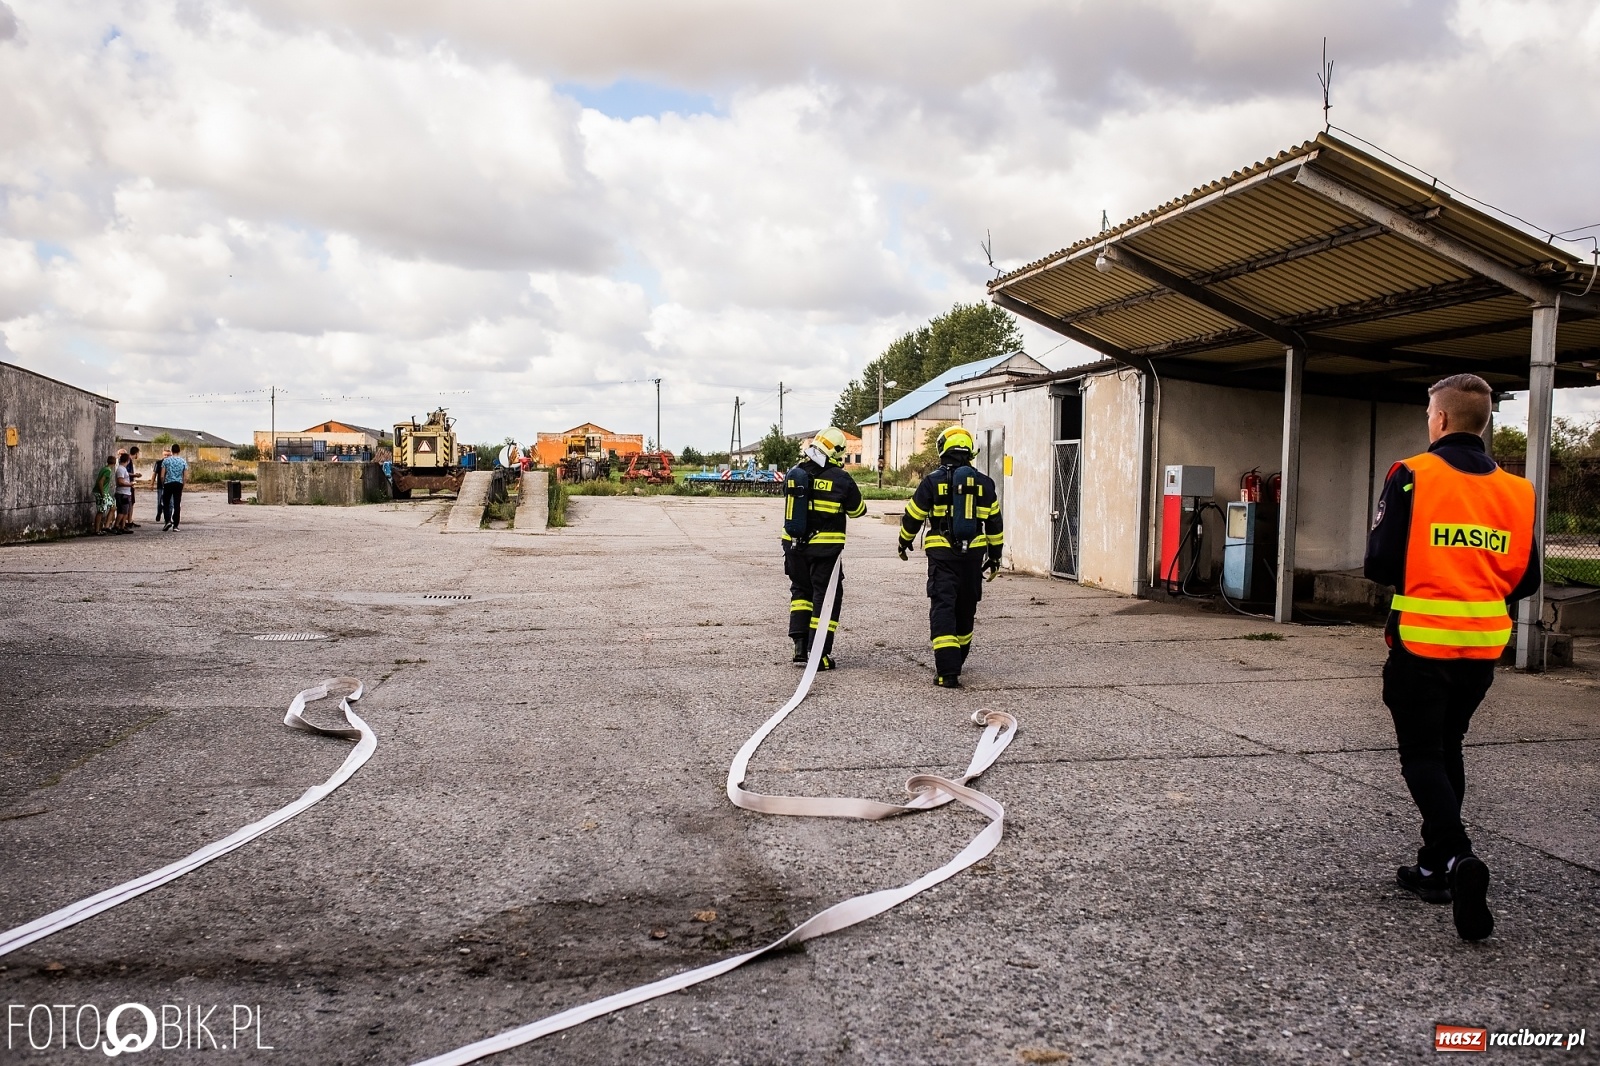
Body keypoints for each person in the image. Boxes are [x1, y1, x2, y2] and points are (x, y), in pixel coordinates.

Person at [1365, 373, 1538, 942]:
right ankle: (1434, 867)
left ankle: (1458, 855)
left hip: (1421, 643)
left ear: (1439, 419)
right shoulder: (1519, 491)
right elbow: (1527, 579)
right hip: (1482, 647)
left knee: (1421, 753)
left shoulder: (1412, 474)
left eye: (1428, 415)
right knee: (1449, 746)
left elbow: (1380, 563)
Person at [897, 426, 1004, 688]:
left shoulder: (932, 481)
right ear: (969, 451)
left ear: (943, 449)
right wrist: (995, 557)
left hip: (942, 555)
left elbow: (913, 516)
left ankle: (947, 671)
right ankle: (958, 660)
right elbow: (994, 524)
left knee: (943, 606)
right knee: (966, 608)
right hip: (974, 556)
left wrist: (904, 541)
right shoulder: (985, 483)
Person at [781, 427, 866, 670]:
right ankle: (818, 654)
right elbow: (858, 510)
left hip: (793, 545)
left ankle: (800, 647)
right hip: (824, 551)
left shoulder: (796, 472)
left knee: (801, 593)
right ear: (837, 451)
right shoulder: (840, 478)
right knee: (825, 599)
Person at [160, 444, 189, 531]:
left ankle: (168, 520)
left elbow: (162, 475)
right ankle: (176, 525)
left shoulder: (166, 461)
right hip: (178, 483)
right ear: (179, 451)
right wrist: (183, 484)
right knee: (177, 504)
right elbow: (185, 476)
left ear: (171, 451)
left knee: (166, 503)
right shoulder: (183, 461)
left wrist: (163, 484)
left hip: (168, 483)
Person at [93, 455, 116, 535]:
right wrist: (102, 493)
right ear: (114, 463)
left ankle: (106, 526)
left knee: (113, 507)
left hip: (104, 492)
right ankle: (97, 530)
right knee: (101, 510)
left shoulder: (105, 468)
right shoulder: (108, 471)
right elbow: (101, 482)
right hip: (101, 492)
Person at [112, 451, 134, 533]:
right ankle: (116, 526)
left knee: (125, 511)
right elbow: (120, 482)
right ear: (127, 460)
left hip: (126, 493)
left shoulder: (123, 469)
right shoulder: (120, 469)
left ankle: (122, 526)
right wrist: (130, 484)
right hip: (122, 493)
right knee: (121, 511)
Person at [124, 446, 142, 528]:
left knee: (131, 502)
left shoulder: (129, 460)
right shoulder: (128, 460)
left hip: (129, 483)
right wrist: (135, 475)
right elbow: (126, 472)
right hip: (128, 484)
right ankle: (128, 520)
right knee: (130, 503)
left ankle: (129, 520)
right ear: (136, 453)